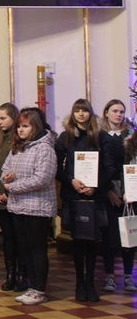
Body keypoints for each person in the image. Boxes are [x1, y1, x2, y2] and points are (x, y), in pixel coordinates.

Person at [55, 99, 117, 303]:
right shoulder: (66, 137)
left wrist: (96, 186)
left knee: (91, 242)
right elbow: (56, 168)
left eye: (84, 111)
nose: (81, 114)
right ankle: (79, 283)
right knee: (77, 242)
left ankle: (90, 282)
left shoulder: (101, 137)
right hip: (73, 195)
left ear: (90, 113)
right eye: (77, 111)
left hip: (94, 196)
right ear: (73, 114)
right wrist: (71, 181)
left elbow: (110, 168)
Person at [1, 109, 57, 305]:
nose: (21, 130)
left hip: (37, 207)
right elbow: (5, 169)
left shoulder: (44, 148)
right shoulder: (18, 147)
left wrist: (13, 186)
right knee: (25, 248)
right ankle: (31, 287)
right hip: (18, 206)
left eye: (25, 126)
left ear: (35, 127)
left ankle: (40, 289)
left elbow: (42, 178)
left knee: (37, 249)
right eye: (19, 126)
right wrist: (7, 177)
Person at [0, 103, 23, 291]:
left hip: (16, 196)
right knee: (8, 239)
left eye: (3, 118)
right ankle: (10, 273)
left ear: (14, 118)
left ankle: (22, 274)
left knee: (20, 238)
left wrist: (9, 192)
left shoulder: (20, 139)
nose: (0, 122)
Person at [100, 99, 131, 292]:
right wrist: (109, 192)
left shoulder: (131, 135)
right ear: (106, 113)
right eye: (115, 111)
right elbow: (100, 167)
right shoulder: (100, 135)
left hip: (129, 190)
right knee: (109, 236)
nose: (118, 115)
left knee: (129, 234)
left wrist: (131, 190)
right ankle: (109, 276)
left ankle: (128, 276)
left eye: (121, 111)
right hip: (108, 189)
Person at [118, 129, 137, 292]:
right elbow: (125, 172)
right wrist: (125, 191)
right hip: (133, 199)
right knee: (131, 240)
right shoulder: (130, 145)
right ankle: (128, 275)